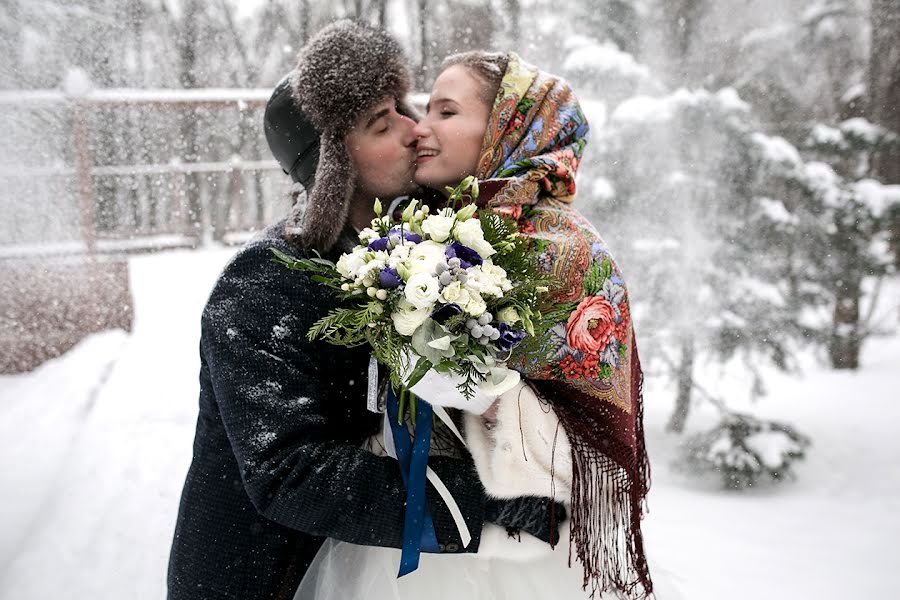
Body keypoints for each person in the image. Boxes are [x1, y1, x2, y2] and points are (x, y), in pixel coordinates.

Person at [166, 22, 564, 600]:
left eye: (403, 108)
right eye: (383, 124)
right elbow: (289, 472)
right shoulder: (262, 289)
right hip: (267, 576)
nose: (414, 129)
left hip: (370, 568)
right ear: (333, 167)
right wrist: (486, 504)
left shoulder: (418, 248)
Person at [295, 52, 678, 600]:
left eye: (446, 112)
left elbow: (591, 430)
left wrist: (481, 394)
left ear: (506, 128)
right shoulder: (424, 229)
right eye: (425, 109)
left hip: (523, 547)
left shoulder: (567, 251)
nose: (421, 128)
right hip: (422, 530)